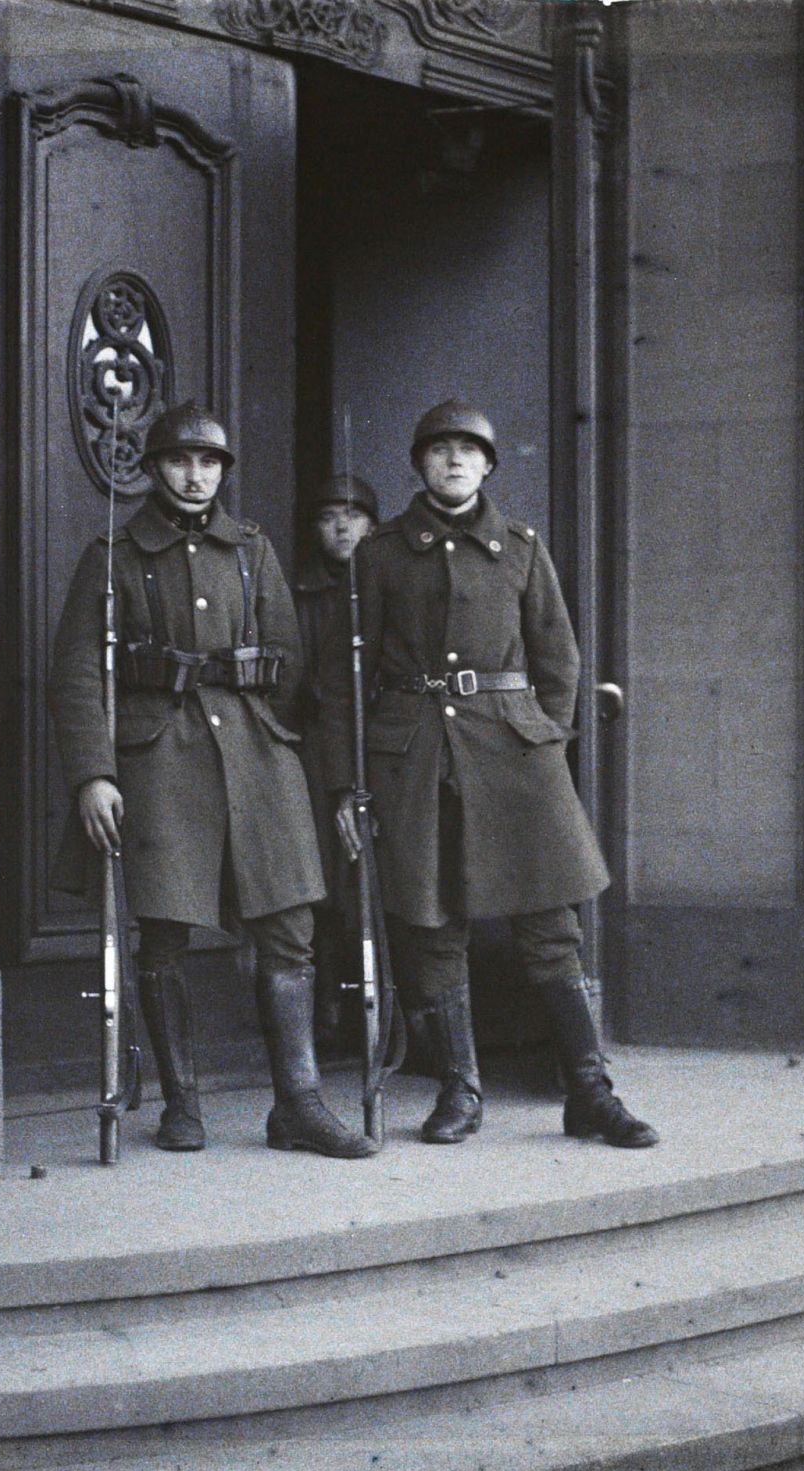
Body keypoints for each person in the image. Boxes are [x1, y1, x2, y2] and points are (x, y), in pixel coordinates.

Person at [322, 398, 657, 1149]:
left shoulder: (521, 549)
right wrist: (348, 782)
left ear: (488, 466)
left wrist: (542, 739)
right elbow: (345, 679)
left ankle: (590, 1091)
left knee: (550, 926)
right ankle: (460, 1088)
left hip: (513, 752)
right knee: (433, 926)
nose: (454, 460)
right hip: (416, 757)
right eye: (440, 449)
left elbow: (559, 658)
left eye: (469, 450)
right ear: (420, 463)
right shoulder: (379, 554)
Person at [49, 402, 376, 1160]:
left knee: (290, 927)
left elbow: (288, 660)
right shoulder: (114, 553)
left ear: (223, 472)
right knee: (164, 931)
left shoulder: (251, 548)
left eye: (208, 463)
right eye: (179, 461)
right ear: (153, 469)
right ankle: (182, 1103)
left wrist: (272, 739)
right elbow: (77, 676)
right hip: (159, 755)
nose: (195, 476)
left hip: (257, 754)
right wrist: (94, 773)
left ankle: (298, 1104)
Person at [285, 475, 382, 1053]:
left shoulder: (387, 581)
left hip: (387, 746)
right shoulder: (298, 595)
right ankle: (328, 1010)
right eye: (328, 517)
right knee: (326, 882)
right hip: (320, 750)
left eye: (354, 515)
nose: (342, 527)